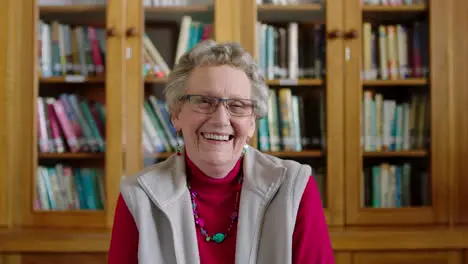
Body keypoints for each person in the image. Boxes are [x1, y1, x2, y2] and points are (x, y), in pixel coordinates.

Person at [108, 40, 335, 264]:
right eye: (204, 102)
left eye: (237, 106)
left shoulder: (294, 187)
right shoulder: (139, 195)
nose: (220, 119)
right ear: (176, 114)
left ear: (252, 123)